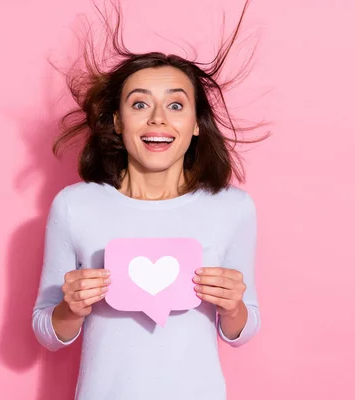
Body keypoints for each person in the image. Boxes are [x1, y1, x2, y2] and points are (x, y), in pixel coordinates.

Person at [32, 1, 266, 398]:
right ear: (118, 122)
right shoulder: (75, 206)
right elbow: (47, 332)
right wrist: (69, 309)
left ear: (195, 125)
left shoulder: (232, 208)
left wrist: (233, 307)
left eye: (176, 105)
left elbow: (243, 330)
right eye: (140, 104)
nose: (158, 118)